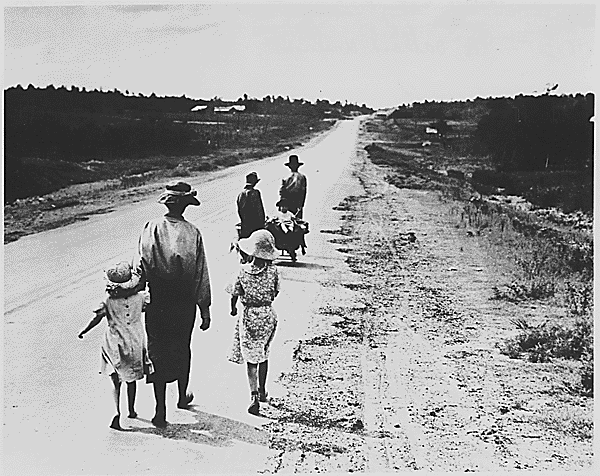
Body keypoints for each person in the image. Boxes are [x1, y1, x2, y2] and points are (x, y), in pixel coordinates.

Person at [136, 181, 212, 428]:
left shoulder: (151, 228)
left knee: (157, 350)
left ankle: (160, 409)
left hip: (157, 298)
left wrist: (134, 296)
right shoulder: (193, 233)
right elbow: (200, 273)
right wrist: (205, 309)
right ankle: (181, 396)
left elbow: (141, 266)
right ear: (185, 206)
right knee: (181, 346)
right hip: (183, 298)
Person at [78, 261, 153, 430]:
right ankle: (132, 410)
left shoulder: (108, 301)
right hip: (134, 342)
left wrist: (84, 330)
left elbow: (96, 318)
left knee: (115, 379)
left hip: (113, 343)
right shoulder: (139, 298)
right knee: (131, 379)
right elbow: (150, 307)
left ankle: (115, 411)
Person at [226, 230, 280, 415]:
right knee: (264, 352)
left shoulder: (242, 271)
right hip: (267, 314)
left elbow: (234, 292)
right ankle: (263, 391)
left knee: (251, 357)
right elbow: (276, 292)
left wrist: (233, 308)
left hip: (248, 316)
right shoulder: (273, 271)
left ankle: (253, 394)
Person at [237, 172, 266, 239]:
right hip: (256, 226)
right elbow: (260, 210)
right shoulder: (255, 193)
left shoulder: (240, 195)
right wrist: (262, 224)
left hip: (245, 226)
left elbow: (239, 211)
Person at [279, 155, 307, 219]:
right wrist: (301, 204)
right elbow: (303, 191)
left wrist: (281, 202)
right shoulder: (302, 177)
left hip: (286, 199)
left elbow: (282, 191)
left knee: (286, 218)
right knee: (297, 219)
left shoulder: (286, 176)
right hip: (297, 200)